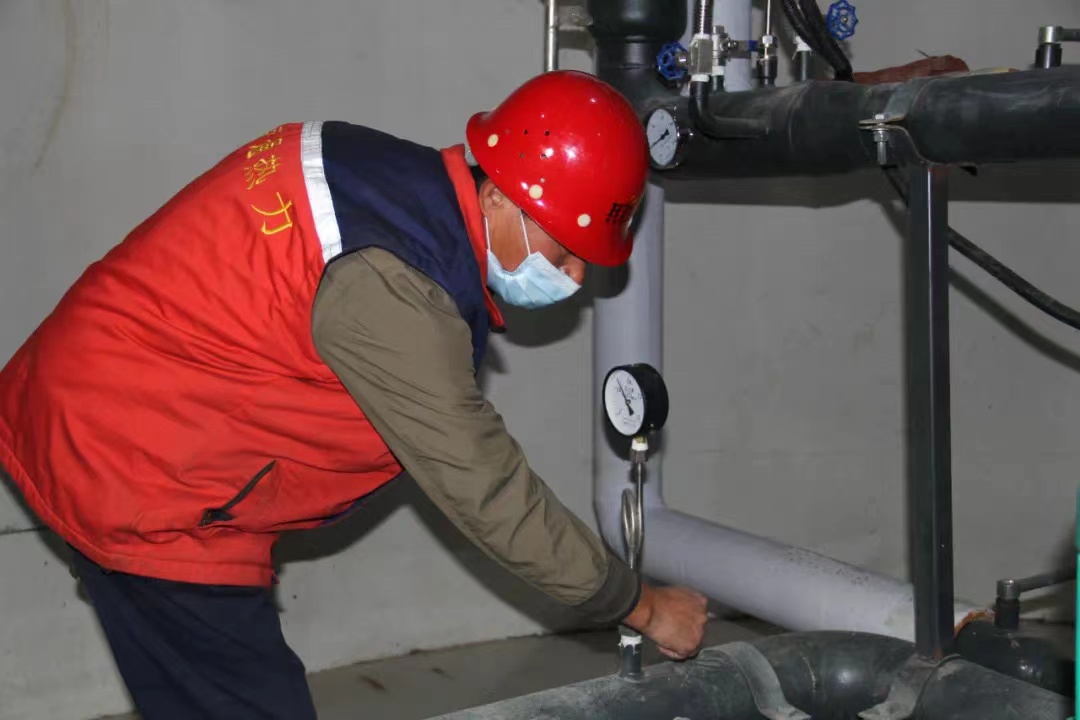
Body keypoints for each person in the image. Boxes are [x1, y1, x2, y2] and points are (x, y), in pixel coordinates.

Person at [0, 70, 707, 719]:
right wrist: (642, 606)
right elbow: (486, 490)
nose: (576, 279)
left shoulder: (380, 181)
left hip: (103, 409)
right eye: (564, 250)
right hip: (136, 471)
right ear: (500, 196)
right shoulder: (395, 286)